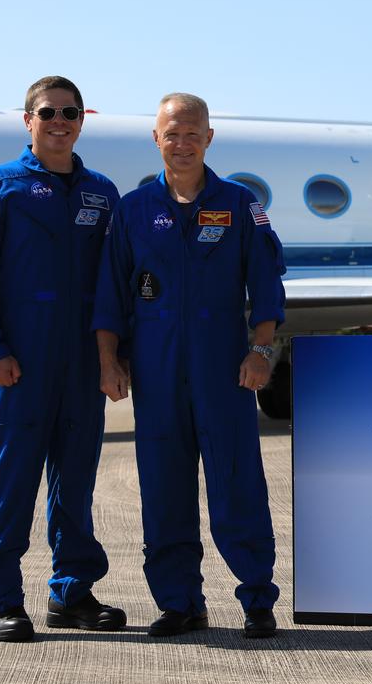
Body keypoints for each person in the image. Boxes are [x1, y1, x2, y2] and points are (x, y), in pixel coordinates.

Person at [92, 92, 285, 639]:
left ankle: (256, 599)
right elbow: (110, 294)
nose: (181, 143)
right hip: (156, 372)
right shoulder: (133, 210)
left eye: (192, 133)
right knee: (164, 489)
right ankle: (180, 603)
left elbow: (267, 285)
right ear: (157, 138)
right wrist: (110, 361)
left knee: (237, 483)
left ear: (208, 138)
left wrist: (261, 350)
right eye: (171, 133)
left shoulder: (240, 205)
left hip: (224, 370)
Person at [0, 76, 126, 642]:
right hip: (20, 361)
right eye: (48, 111)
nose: (60, 121)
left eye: (70, 112)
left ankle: (72, 593)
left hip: (82, 361)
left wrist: (112, 356)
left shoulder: (103, 193)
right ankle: (2, 598)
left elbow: (114, 281)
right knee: (10, 481)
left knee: (74, 483)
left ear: (82, 121)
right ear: (27, 120)